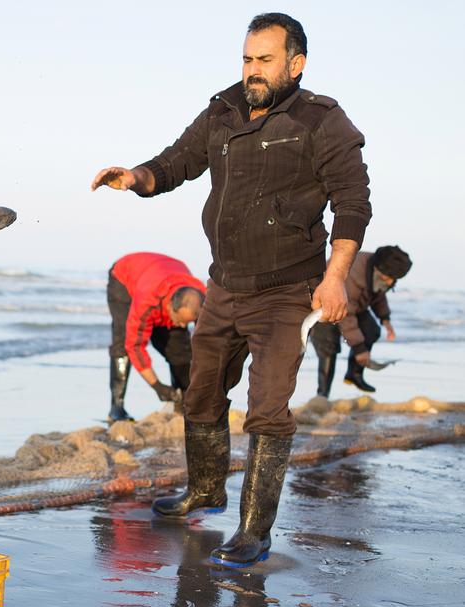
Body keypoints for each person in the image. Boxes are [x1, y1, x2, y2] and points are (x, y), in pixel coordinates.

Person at [90, 12, 371, 567]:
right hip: (223, 286)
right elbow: (176, 163)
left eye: (265, 60)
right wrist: (136, 177)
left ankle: (253, 531)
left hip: (287, 292)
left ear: (296, 63)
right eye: (247, 59)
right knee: (200, 394)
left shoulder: (321, 120)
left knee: (267, 408)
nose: (252, 70)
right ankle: (205, 491)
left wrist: (335, 276)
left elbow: (353, 203)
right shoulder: (222, 110)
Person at [106, 252, 206, 422]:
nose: (183, 326)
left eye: (187, 322)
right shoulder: (147, 302)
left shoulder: (202, 297)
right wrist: (157, 386)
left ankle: (182, 403)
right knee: (123, 342)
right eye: (180, 320)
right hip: (125, 277)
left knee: (180, 347)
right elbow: (135, 346)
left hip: (167, 271)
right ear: (169, 308)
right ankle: (117, 408)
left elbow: (205, 339)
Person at [309, 244, 412, 396]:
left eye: (393, 280)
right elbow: (347, 315)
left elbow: (379, 294)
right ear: (377, 269)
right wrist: (359, 348)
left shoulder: (379, 270)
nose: (390, 283)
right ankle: (322, 395)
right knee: (328, 349)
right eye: (387, 278)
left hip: (354, 307)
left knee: (371, 330)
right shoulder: (354, 272)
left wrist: (385, 319)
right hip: (324, 305)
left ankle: (354, 374)